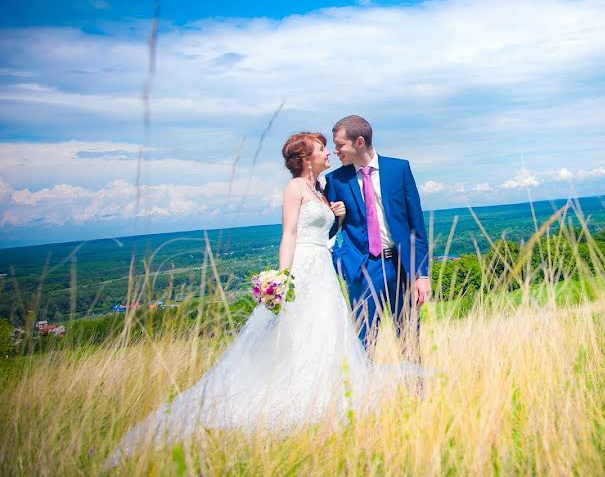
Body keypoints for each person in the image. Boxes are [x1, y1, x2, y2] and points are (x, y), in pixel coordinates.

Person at [105, 132, 414, 467]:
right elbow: (290, 234)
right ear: (305, 157)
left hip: (324, 269)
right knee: (295, 331)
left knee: (325, 329)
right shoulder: (295, 187)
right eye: (321, 149)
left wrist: (337, 217)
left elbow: (324, 234)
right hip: (302, 267)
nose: (328, 153)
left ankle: (325, 394)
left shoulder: (321, 190)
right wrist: (283, 278)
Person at [324, 115, 431, 358]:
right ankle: (366, 395)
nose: (335, 150)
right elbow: (328, 231)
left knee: (409, 339)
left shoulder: (399, 169)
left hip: (400, 267)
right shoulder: (335, 180)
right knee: (363, 343)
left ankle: (416, 395)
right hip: (362, 270)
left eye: (340, 144)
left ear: (359, 142)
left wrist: (421, 274)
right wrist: (335, 216)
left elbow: (416, 225)